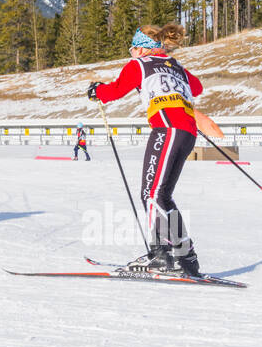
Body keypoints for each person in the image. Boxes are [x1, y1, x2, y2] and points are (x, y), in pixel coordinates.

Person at [87, 24, 204, 278]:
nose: (131, 54)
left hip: (166, 130)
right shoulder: (175, 65)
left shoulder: (138, 65)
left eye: (133, 49)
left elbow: (115, 91)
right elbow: (197, 88)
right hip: (187, 133)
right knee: (162, 196)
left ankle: (161, 255)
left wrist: (97, 90)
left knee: (151, 194)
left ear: (142, 48)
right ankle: (186, 258)